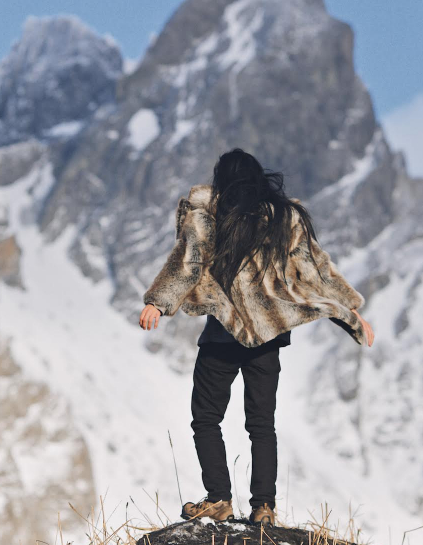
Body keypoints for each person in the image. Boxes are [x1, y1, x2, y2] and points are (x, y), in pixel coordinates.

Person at [138, 149, 375, 526]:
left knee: (205, 419)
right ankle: (264, 508)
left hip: (223, 334)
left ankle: (218, 499)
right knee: (262, 424)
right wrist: (348, 308)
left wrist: (158, 303)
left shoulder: (208, 215)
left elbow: (188, 262)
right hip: (268, 334)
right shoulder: (285, 217)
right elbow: (313, 269)